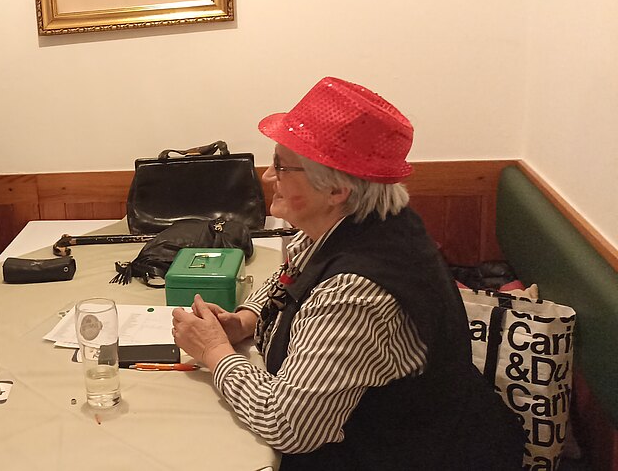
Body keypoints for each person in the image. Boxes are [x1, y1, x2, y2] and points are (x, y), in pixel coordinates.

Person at [171, 78, 524, 470]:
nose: (268, 176)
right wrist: (247, 319)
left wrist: (214, 352)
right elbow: (291, 275)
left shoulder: (355, 293)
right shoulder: (362, 223)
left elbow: (288, 426)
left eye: (282, 166)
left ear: (336, 190)